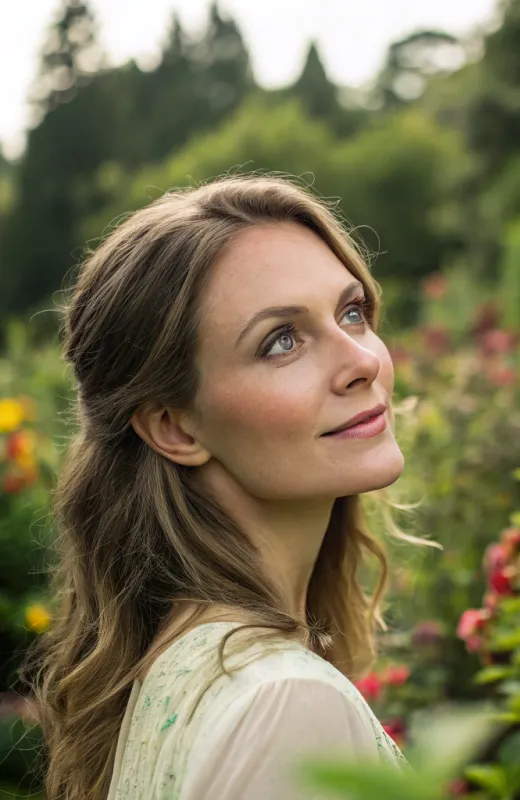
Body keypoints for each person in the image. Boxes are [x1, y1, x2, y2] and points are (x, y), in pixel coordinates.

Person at [19, 175, 436, 799]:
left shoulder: (178, 663)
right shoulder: (286, 702)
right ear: (174, 427)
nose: (364, 361)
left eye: (352, 312)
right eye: (282, 341)